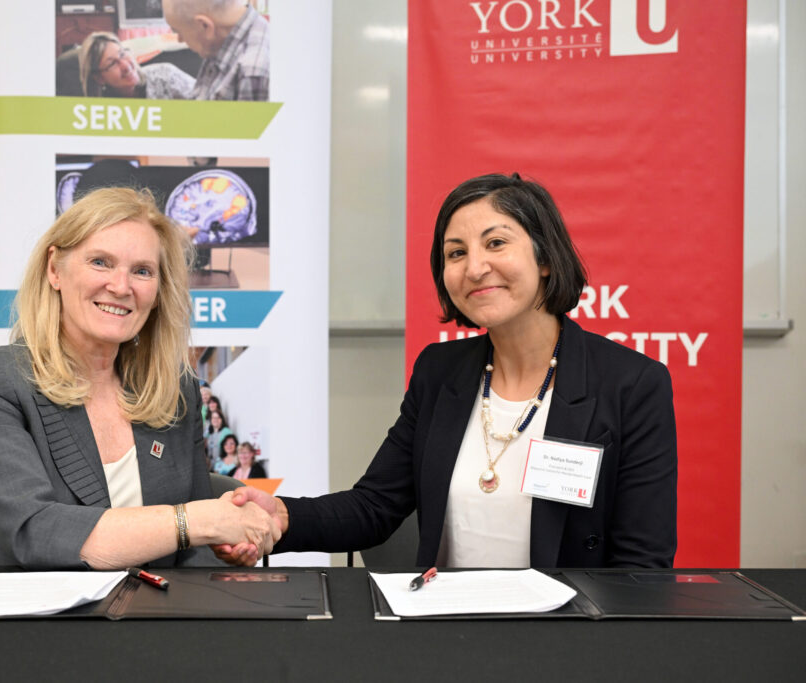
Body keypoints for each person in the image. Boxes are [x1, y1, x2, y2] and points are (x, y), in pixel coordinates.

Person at [220, 173, 678, 569]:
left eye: (496, 243)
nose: (475, 267)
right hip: (446, 637)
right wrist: (282, 516)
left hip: (569, 642)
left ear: (544, 258)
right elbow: (375, 505)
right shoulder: (441, 372)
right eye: (455, 254)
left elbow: (641, 563)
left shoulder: (630, 384)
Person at [0, 187, 277, 569]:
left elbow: (193, 554)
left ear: (157, 292)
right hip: (34, 623)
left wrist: (229, 544)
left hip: (152, 620)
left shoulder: (175, 391)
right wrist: (199, 522)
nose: (121, 287)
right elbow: (36, 532)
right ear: (54, 269)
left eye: (142, 271)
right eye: (101, 262)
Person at [162, 0, 269, 101]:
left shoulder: (253, 73)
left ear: (205, 26)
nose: (179, 39)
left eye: (177, 31)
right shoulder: (218, 40)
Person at [78, 32, 194, 99]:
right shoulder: (100, 114)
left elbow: (209, 102)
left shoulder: (165, 75)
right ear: (99, 78)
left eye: (122, 54)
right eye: (112, 63)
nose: (125, 66)